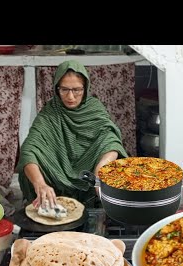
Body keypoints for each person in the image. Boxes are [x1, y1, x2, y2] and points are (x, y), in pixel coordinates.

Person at [17, 60, 128, 209]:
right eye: (64, 89)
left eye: (77, 90)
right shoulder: (51, 112)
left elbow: (111, 140)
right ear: (57, 89)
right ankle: (46, 197)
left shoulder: (94, 108)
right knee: (32, 163)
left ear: (85, 88)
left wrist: (101, 169)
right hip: (57, 180)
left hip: (89, 178)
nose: (70, 97)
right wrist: (40, 184)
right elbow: (29, 149)